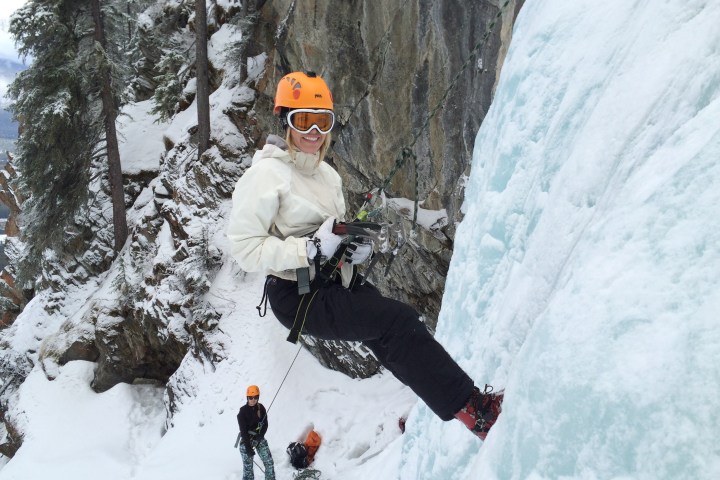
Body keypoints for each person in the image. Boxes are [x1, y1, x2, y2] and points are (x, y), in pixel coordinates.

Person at [227, 71, 503, 440]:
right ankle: (476, 412)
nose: (313, 131)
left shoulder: (328, 177)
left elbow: (332, 237)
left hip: (332, 281)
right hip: (296, 294)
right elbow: (245, 249)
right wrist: (307, 250)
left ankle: (470, 414)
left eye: (321, 121)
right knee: (397, 322)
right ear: (286, 121)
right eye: (303, 120)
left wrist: (350, 249)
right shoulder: (265, 175)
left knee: (389, 334)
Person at [237, 385, 275, 480]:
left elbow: (265, 424)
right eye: (250, 397)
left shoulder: (261, 408)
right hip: (247, 440)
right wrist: (248, 448)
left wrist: (260, 435)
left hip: (258, 437)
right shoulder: (242, 412)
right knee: (248, 469)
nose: (253, 400)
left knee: (269, 462)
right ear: (247, 398)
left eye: (255, 397)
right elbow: (243, 431)